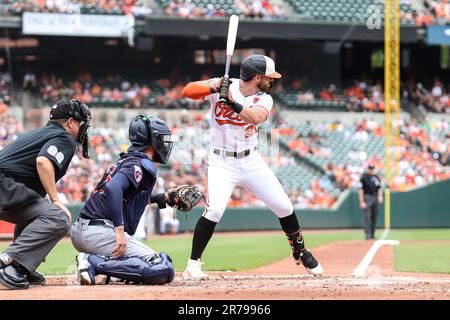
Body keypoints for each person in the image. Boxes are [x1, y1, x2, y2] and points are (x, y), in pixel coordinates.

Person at [181, 54, 324, 279]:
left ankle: (300, 251)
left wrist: (232, 102)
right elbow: (187, 91)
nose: (272, 81)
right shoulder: (224, 85)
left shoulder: (264, 98)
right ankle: (193, 264)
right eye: (269, 77)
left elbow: (256, 117)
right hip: (222, 161)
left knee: (284, 206)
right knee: (215, 210)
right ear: (257, 77)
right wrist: (215, 87)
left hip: (250, 160)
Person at [71, 115, 203, 285]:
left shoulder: (127, 159)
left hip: (86, 230)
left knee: (147, 265)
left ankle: (97, 263)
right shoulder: (140, 164)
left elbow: (124, 196)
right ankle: (92, 262)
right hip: (100, 233)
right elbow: (113, 189)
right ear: (151, 140)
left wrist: (162, 198)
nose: (164, 143)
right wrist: (119, 231)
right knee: (161, 269)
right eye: (161, 138)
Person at [0, 99, 91, 289]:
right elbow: (43, 161)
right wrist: (56, 199)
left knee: (37, 212)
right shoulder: (65, 138)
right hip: (4, 185)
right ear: (70, 122)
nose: (84, 128)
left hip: (7, 187)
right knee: (58, 217)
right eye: (82, 123)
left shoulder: (39, 133)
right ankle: (8, 263)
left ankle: (22, 265)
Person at [358, 163, 383, 240]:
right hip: (367, 197)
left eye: (372, 168)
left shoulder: (375, 177)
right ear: (368, 169)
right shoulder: (364, 177)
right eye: (370, 168)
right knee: (367, 217)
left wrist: (380, 196)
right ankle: (368, 235)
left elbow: (379, 188)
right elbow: (361, 190)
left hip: (375, 196)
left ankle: (372, 234)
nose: (371, 170)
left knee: (374, 217)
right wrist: (362, 201)